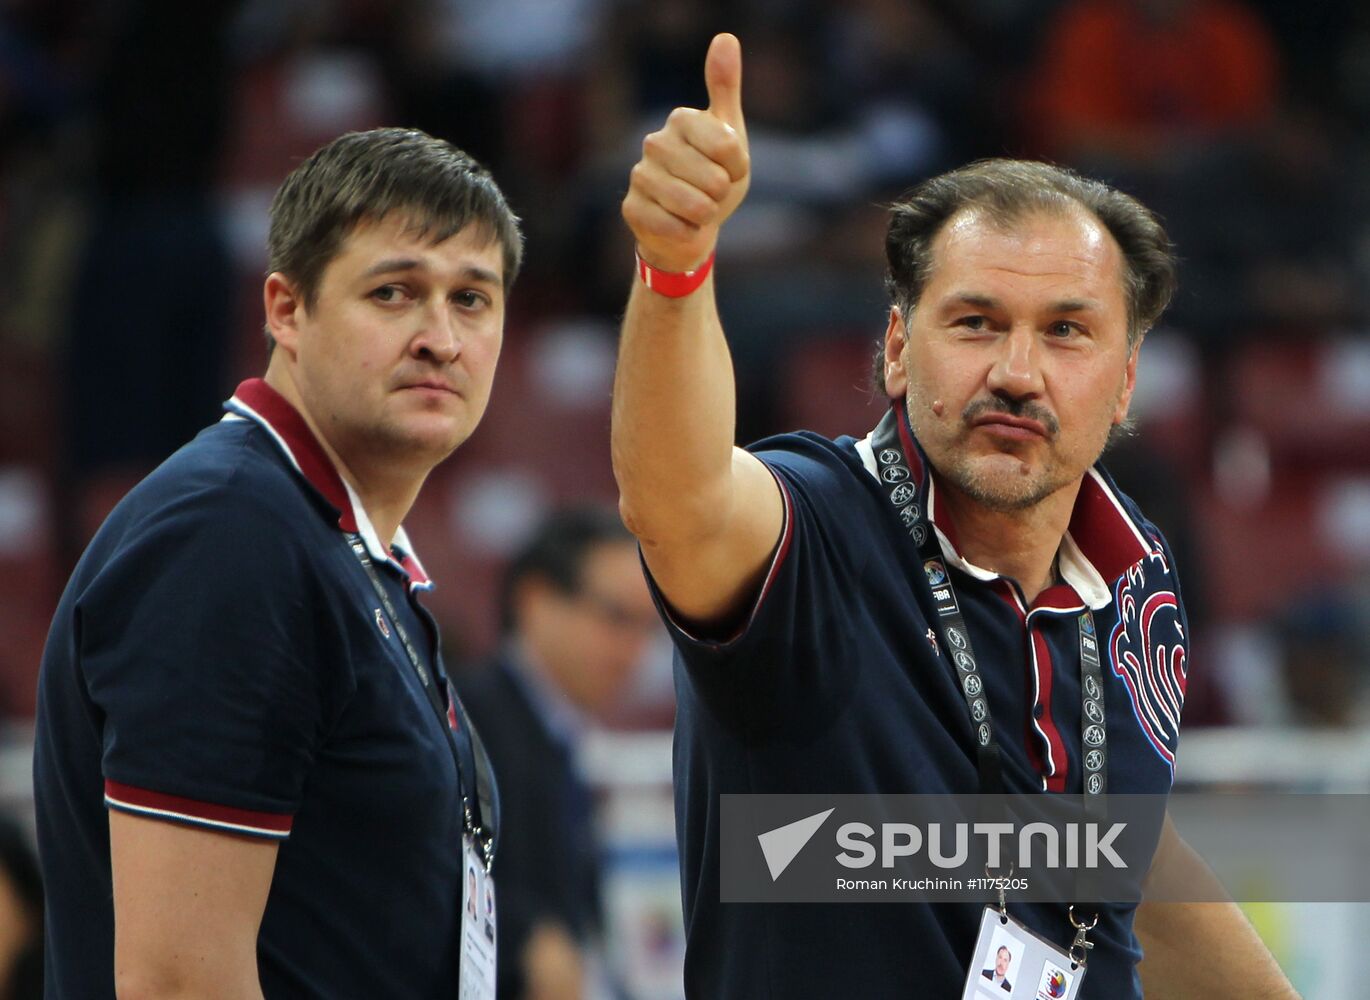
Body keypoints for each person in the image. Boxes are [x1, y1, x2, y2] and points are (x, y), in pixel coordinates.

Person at [612, 32, 1298, 1000]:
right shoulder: (814, 523)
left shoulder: (1134, 564)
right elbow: (674, 500)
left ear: (1124, 382)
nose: (1016, 373)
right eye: (974, 322)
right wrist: (675, 270)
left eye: (1065, 331)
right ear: (896, 348)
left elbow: (1119, 850)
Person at [33, 127, 522, 998]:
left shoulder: (339, 544)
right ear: (287, 310)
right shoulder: (230, 535)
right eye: (394, 292)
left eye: (472, 299)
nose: (440, 338)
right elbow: (179, 983)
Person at [457, 506, 660, 1000]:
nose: (633, 651)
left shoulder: (557, 734)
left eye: (648, 629)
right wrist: (524, 937)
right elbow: (423, 864)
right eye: (616, 618)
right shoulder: (463, 721)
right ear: (536, 600)